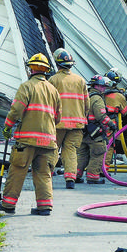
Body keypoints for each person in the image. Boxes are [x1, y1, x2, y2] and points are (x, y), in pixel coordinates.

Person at [0, 53, 61, 215]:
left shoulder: (26, 86)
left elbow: (16, 109)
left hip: (27, 140)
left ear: (31, 68)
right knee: (43, 173)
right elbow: (58, 117)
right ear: (46, 70)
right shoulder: (54, 90)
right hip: (49, 141)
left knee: (17, 170)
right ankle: (44, 206)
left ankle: (9, 204)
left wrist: (8, 127)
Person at [48, 48, 90, 189]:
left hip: (58, 123)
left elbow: (49, 102)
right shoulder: (80, 80)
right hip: (77, 123)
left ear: (57, 63)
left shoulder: (53, 80)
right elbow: (87, 104)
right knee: (71, 150)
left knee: (53, 149)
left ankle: (46, 175)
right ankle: (70, 179)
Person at [77, 75, 117, 184]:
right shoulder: (97, 98)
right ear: (97, 86)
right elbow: (101, 116)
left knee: (83, 155)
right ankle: (93, 176)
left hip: (84, 130)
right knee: (98, 153)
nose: (104, 88)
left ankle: (76, 175)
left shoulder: (86, 95)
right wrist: (111, 124)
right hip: (95, 132)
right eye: (102, 86)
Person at [104, 69, 127, 170]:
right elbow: (124, 112)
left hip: (96, 124)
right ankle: (104, 169)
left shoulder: (98, 92)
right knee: (108, 147)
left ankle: (93, 169)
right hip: (110, 125)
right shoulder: (119, 96)